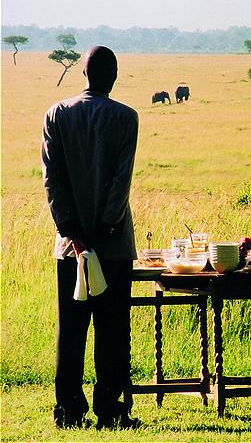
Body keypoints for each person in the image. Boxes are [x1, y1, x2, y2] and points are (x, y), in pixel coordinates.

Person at [41, 46, 139, 430]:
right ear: (114, 76)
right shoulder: (126, 117)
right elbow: (121, 181)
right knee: (113, 330)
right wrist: (103, 231)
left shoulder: (56, 114)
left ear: (82, 73)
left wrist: (74, 234)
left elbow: (53, 180)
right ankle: (110, 411)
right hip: (112, 246)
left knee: (72, 329)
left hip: (70, 249)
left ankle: (67, 411)